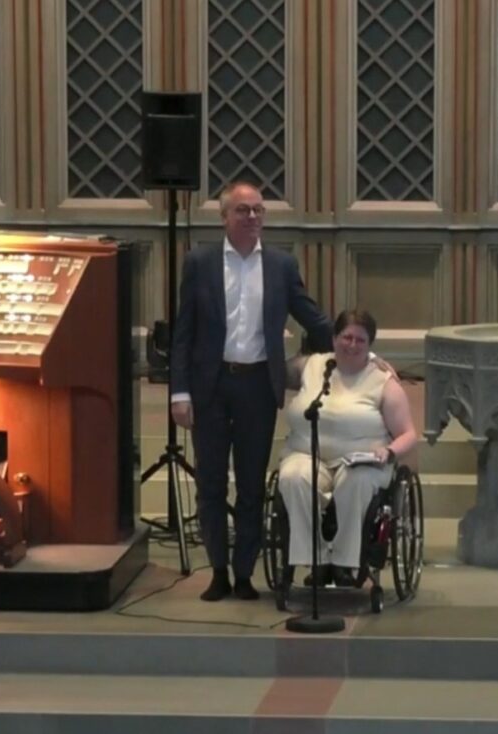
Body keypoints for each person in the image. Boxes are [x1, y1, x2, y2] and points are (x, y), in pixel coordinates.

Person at [170, 181, 333, 601]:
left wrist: (359, 350)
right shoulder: (200, 262)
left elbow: (311, 318)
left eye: (259, 210)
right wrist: (179, 392)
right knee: (209, 481)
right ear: (224, 217)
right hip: (211, 384)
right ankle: (219, 571)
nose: (253, 218)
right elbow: (183, 332)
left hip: (258, 385)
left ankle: (245, 573)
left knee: (251, 484)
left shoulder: (280, 265)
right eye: (243, 211)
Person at [278, 309, 417, 587]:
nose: (351, 345)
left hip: (363, 461)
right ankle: (315, 559)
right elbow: (276, 369)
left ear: (370, 346)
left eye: (360, 341)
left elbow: (408, 433)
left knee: (356, 482)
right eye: (346, 337)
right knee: (294, 477)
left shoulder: (382, 381)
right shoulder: (314, 366)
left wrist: (389, 452)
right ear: (334, 338)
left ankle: (346, 562)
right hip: (307, 453)